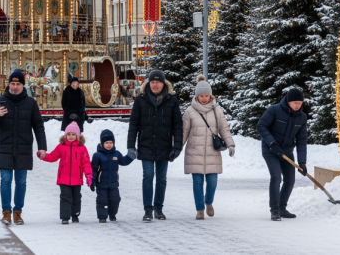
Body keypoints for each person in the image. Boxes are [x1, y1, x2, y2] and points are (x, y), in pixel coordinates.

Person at [0, 70, 47, 225]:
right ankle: (6, 212)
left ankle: (17, 212)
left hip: (23, 148)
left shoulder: (30, 103)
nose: (14, 87)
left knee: (21, 181)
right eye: (12, 84)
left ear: (23, 85)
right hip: (4, 148)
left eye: (18, 84)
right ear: (9, 84)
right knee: (5, 180)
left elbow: (38, 126)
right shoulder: (0, 100)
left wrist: (42, 147)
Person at [127, 69, 183, 222]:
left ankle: (158, 208)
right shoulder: (141, 100)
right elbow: (133, 124)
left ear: (163, 83)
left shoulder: (171, 101)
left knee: (161, 179)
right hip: (145, 144)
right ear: (148, 83)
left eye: (158, 82)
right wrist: (131, 146)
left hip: (164, 146)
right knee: (148, 176)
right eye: (152, 82)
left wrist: (177, 147)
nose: (155, 84)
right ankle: (148, 209)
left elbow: (177, 125)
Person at [181, 75, 236, 220]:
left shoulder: (216, 110)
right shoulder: (189, 111)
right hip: (195, 152)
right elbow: (183, 133)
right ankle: (199, 209)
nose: (204, 98)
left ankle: (208, 202)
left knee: (212, 181)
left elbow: (224, 129)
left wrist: (230, 144)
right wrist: (176, 148)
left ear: (210, 96)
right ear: (197, 96)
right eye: (201, 96)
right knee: (197, 182)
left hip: (213, 152)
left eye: (206, 95)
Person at [257, 88, 308, 221]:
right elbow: (261, 126)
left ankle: (282, 208)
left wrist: (302, 161)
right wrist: (272, 143)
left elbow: (301, 140)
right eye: (295, 102)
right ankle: (274, 210)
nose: (297, 105)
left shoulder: (302, 117)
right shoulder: (274, 110)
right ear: (288, 101)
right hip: (270, 150)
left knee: (290, 180)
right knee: (276, 177)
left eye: (300, 103)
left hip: (287, 152)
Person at [41, 122, 93, 225]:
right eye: (68, 134)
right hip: (63, 178)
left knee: (76, 197)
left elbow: (86, 163)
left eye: (73, 134)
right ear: (65, 135)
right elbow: (53, 156)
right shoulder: (61, 147)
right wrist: (43, 156)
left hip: (77, 178)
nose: (70, 136)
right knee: (65, 197)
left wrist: (88, 175)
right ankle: (65, 217)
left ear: (78, 136)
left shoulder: (82, 148)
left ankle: (75, 215)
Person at [90, 129, 135, 223]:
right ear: (102, 144)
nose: (109, 144)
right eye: (106, 142)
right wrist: (92, 180)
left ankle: (112, 214)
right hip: (101, 183)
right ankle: (102, 216)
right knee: (102, 200)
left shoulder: (116, 154)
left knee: (115, 199)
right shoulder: (97, 155)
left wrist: (131, 156)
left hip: (114, 183)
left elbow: (124, 161)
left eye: (111, 142)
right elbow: (93, 169)